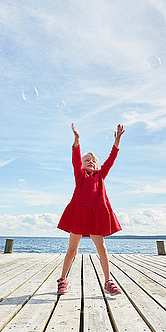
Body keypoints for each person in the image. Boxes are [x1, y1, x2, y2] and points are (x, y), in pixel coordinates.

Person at [56, 122, 124, 296]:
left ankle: (108, 282)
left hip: (96, 216)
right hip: (78, 214)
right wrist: (77, 139)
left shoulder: (101, 175)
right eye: (87, 160)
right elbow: (76, 157)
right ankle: (63, 280)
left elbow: (111, 160)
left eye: (93, 161)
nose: (90, 162)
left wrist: (116, 141)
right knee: (72, 249)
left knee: (102, 249)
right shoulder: (80, 175)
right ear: (82, 164)